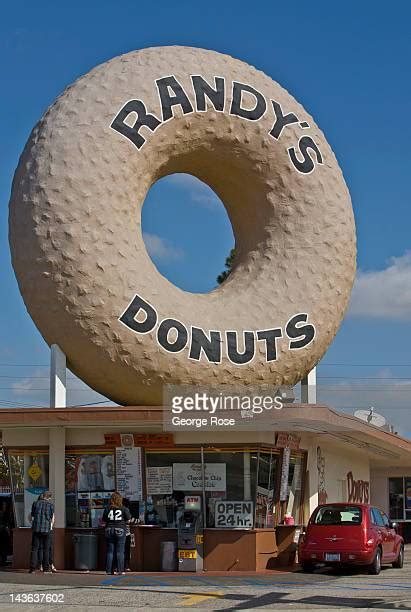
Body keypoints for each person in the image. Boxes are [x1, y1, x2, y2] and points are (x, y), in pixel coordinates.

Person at [102, 492, 130, 575]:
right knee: (120, 551)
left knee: (110, 551)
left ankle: (108, 571)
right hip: (120, 529)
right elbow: (128, 520)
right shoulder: (124, 508)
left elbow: (104, 520)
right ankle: (120, 570)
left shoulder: (107, 508)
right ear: (120, 499)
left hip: (109, 529)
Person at [29, 491, 54, 574]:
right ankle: (46, 568)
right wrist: (50, 527)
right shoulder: (50, 505)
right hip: (47, 530)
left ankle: (32, 568)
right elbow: (52, 518)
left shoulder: (35, 504)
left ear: (43, 496)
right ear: (49, 498)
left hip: (36, 529)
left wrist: (34, 524)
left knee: (34, 549)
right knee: (46, 549)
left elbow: (32, 516)